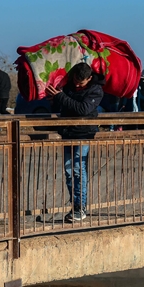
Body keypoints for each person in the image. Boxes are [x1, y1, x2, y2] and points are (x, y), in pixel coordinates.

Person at [46, 62, 103, 222]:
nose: (77, 84)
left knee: (78, 169)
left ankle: (80, 207)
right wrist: (53, 99)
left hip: (84, 133)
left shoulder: (96, 90)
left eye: (81, 82)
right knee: (69, 171)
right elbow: (61, 106)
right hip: (68, 131)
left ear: (89, 78)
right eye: (76, 81)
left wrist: (61, 96)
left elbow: (82, 109)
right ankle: (76, 206)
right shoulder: (67, 86)